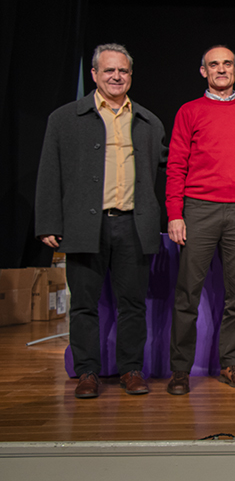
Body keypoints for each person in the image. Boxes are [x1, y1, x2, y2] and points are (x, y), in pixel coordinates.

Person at [35, 43, 166, 398]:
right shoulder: (64, 119)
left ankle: (131, 369)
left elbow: (169, 167)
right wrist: (48, 222)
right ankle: (87, 372)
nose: (116, 76)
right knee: (83, 304)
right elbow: (49, 172)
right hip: (84, 226)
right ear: (94, 74)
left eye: (123, 70)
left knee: (133, 304)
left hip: (133, 225)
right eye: (109, 70)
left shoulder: (148, 121)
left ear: (131, 75)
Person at [165, 45, 235, 395]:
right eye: (214, 65)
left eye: (227, 64)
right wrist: (175, 214)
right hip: (198, 209)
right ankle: (180, 370)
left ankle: (231, 365)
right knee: (187, 294)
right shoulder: (189, 111)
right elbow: (176, 165)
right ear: (204, 71)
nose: (221, 69)